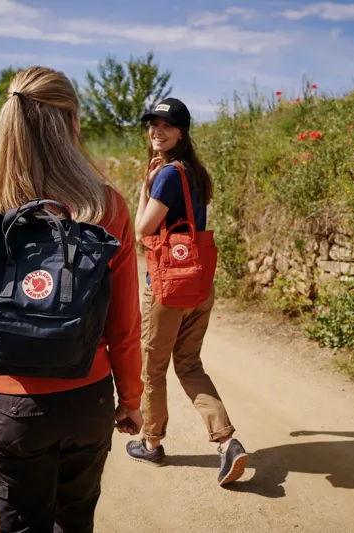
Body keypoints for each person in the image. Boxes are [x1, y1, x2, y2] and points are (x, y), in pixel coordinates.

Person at [0, 66, 144, 533]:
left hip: (12, 407)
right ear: (72, 123)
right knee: (75, 521)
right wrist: (132, 398)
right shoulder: (105, 205)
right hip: (88, 399)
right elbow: (125, 323)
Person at [125, 97, 249, 486]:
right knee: (190, 364)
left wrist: (145, 186)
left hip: (167, 288)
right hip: (199, 284)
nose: (156, 131)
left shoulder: (164, 175)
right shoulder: (196, 172)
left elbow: (143, 228)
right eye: (152, 124)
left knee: (153, 368)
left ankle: (152, 442)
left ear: (182, 132)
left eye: (165, 125)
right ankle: (227, 441)